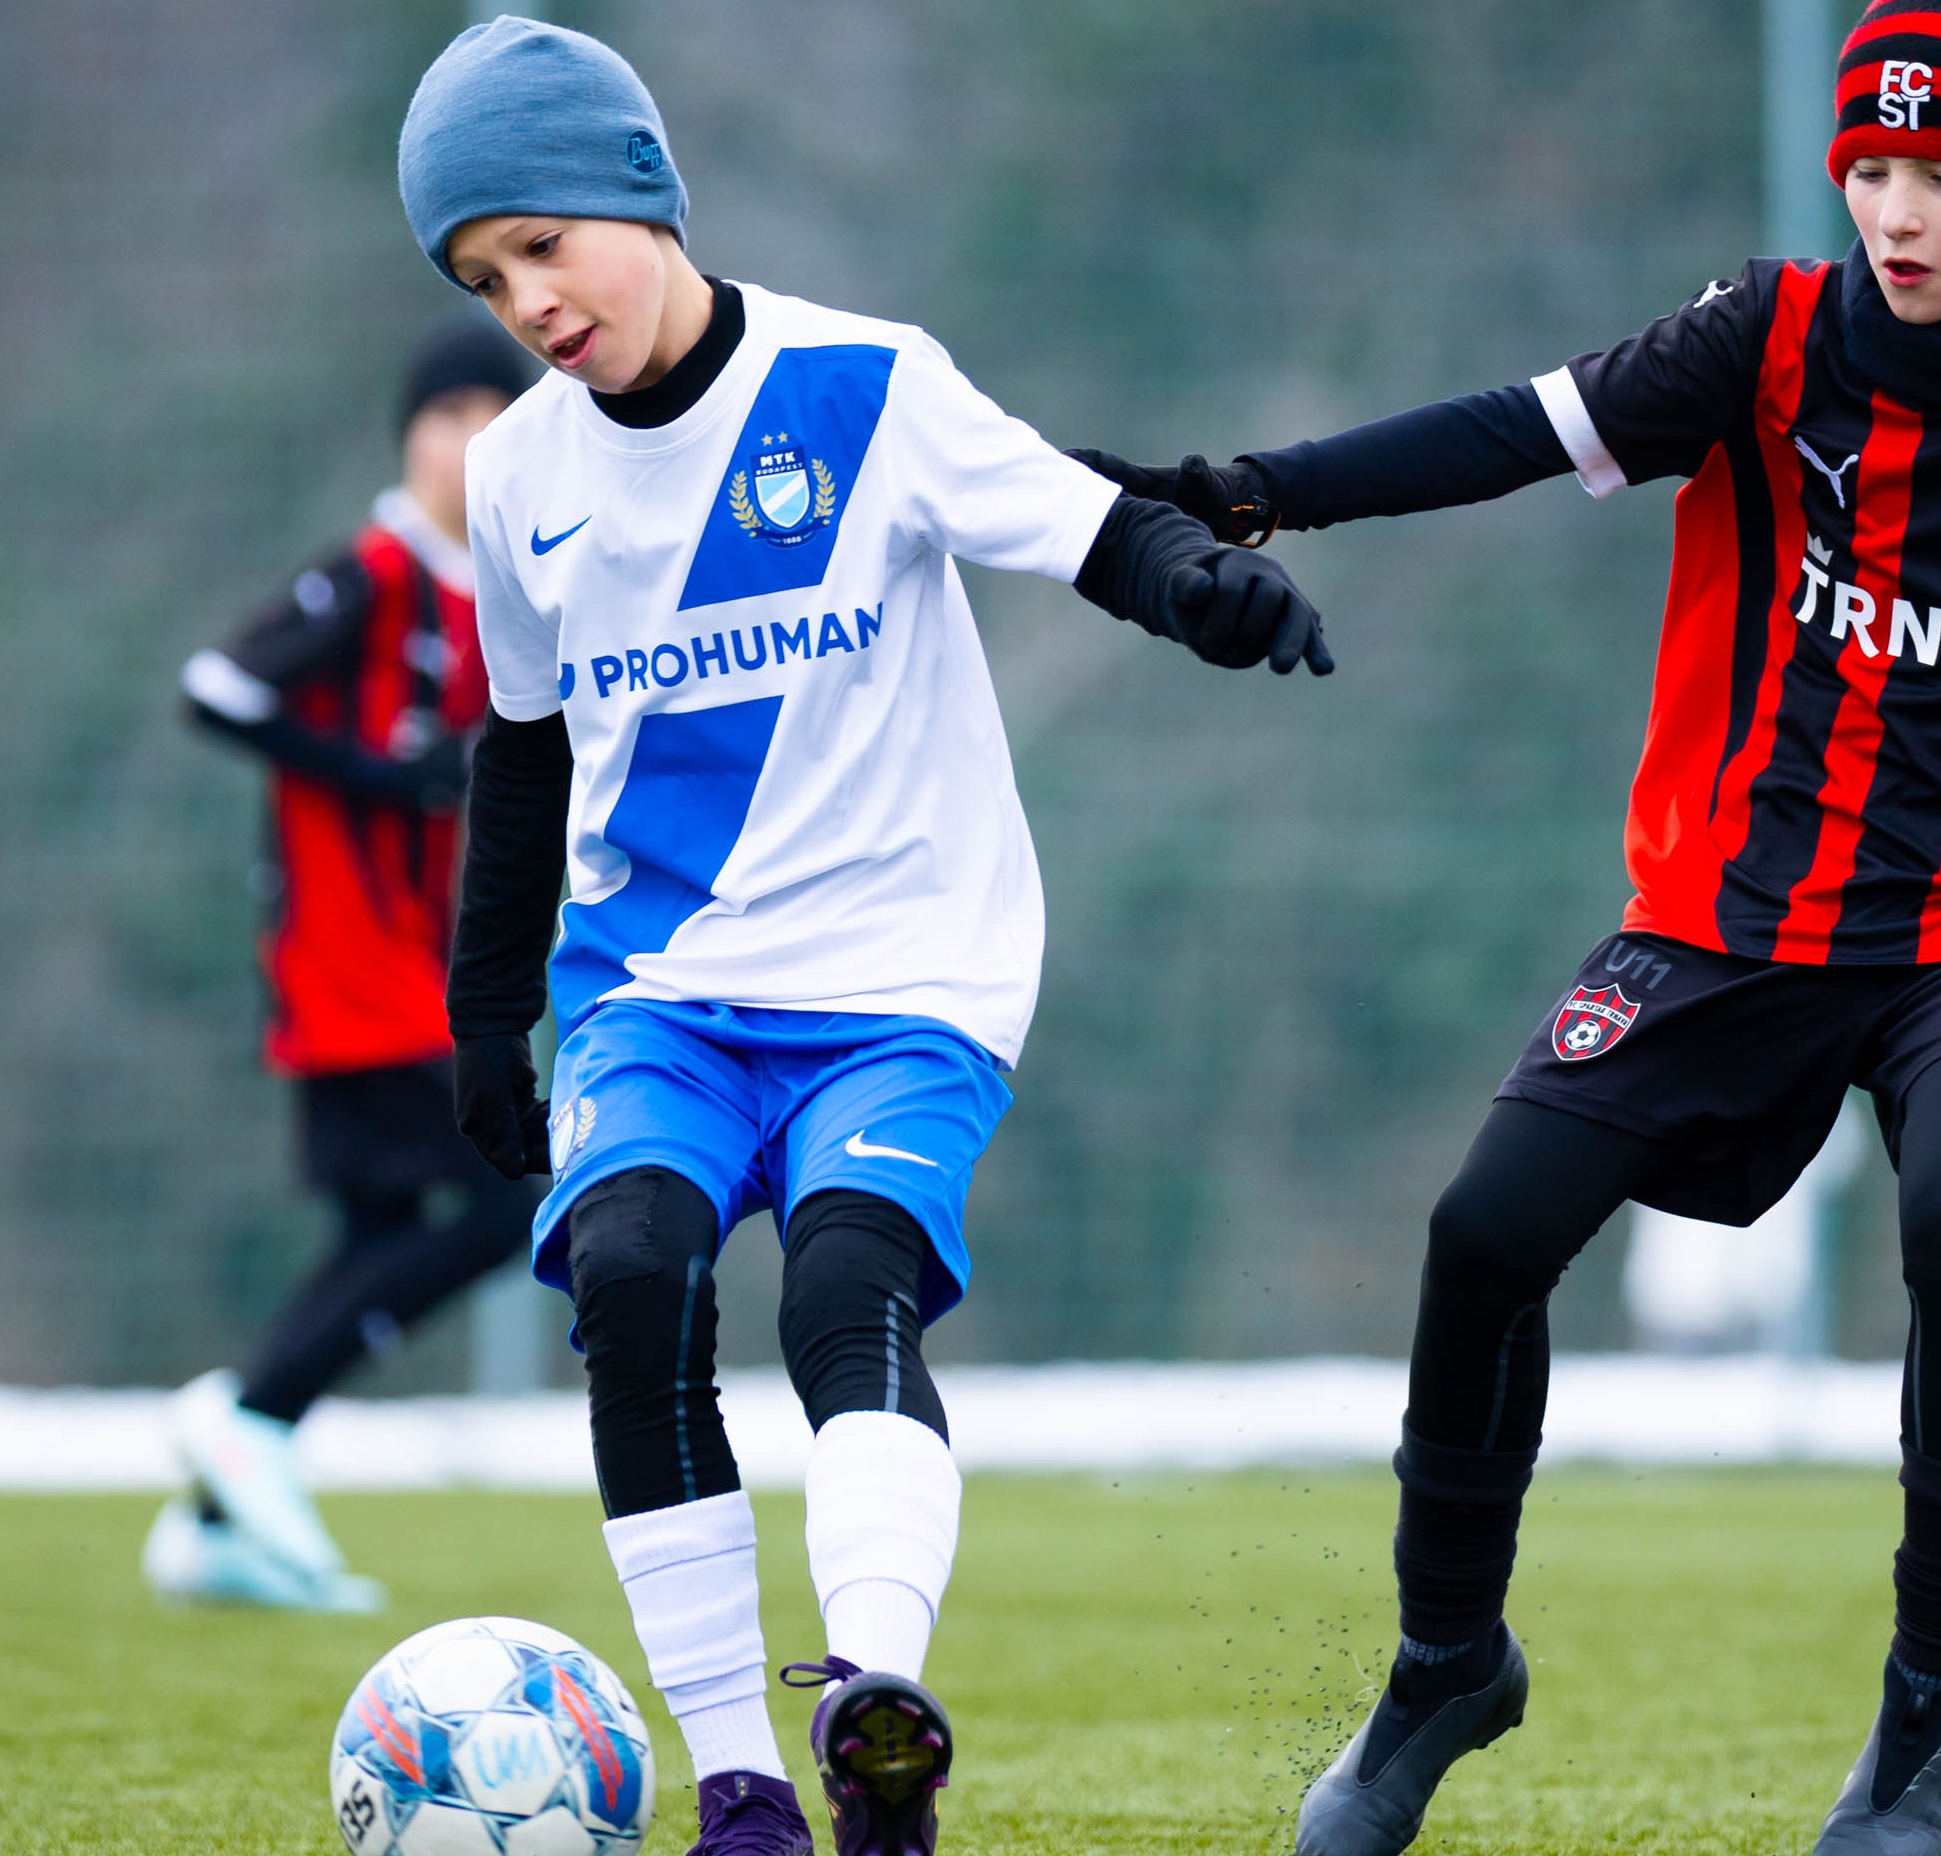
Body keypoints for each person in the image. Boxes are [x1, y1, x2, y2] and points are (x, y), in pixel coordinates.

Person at [1074, 4, 1941, 1851]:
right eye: (1870, 170)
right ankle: (1443, 1668)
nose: (1894, 210)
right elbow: (1518, 427)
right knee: (1484, 1230)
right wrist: (1268, 489)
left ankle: (1919, 1734)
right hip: (1742, 909)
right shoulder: (1774, 334)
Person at [393, 19, 1335, 1856]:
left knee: (844, 1287)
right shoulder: (519, 478)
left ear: (638, 194)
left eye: (541, 244)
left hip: (906, 980)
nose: (526, 301)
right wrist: (483, 1011)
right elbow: (519, 755)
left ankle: (876, 1706)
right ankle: (740, 1782)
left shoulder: (865, 385)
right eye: (482, 278)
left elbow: (1084, 529)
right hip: (654, 990)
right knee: (639, 1269)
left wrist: (1205, 588)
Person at [147, 320, 546, 1614]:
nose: (468, 442)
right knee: (501, 1203)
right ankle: (251, 1420)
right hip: (348, 964)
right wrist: (374, 778)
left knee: (380, 1227)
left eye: (498, 419)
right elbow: (218, 688)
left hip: (420, 964)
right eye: (449, 416)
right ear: (408, 436)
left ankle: (220, 1526)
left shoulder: (499, 593)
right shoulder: (370, 575)